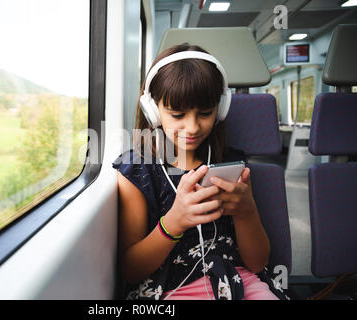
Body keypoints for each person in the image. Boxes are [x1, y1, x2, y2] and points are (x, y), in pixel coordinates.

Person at [112, 43, 289, 300]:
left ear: (221, 108)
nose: (193, 127)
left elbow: (257, 263)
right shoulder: (137, 173)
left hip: (238, 280)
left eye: (205, 113)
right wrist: (174, 222)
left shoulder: (231, 164)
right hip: (170, 286)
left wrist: (246, 211)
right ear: (153, 111)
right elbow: (131, 270)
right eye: (177, 114)